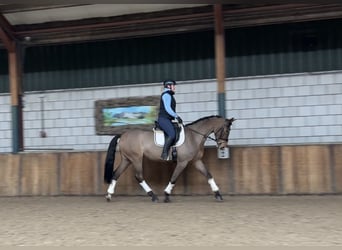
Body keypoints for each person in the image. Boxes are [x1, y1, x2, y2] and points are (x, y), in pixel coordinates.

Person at [158, 79, 183, 160]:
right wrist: (176, 116)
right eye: (173, 85)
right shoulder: (166, 95)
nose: (174, 87)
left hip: (167, 119)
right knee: (172, 134)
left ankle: (174, 151)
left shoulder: (169, 95)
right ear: (168, 86)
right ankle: (164, 153)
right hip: (163, 119)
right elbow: (168, 108)